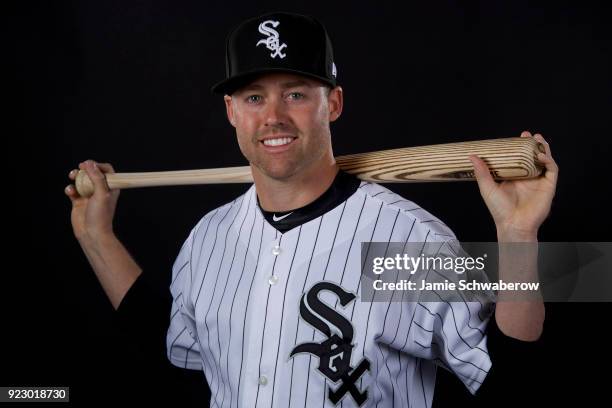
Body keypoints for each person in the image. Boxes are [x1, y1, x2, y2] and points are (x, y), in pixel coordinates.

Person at [65, 11, 558, 408]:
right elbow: (174, 355)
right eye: (254, 97)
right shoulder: (207, 239)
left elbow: (508, 378)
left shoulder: (407, 241)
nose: (273, 116)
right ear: (232, 112)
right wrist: (96, 237)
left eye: (296, 94)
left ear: (335, 103)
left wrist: (516, 239)